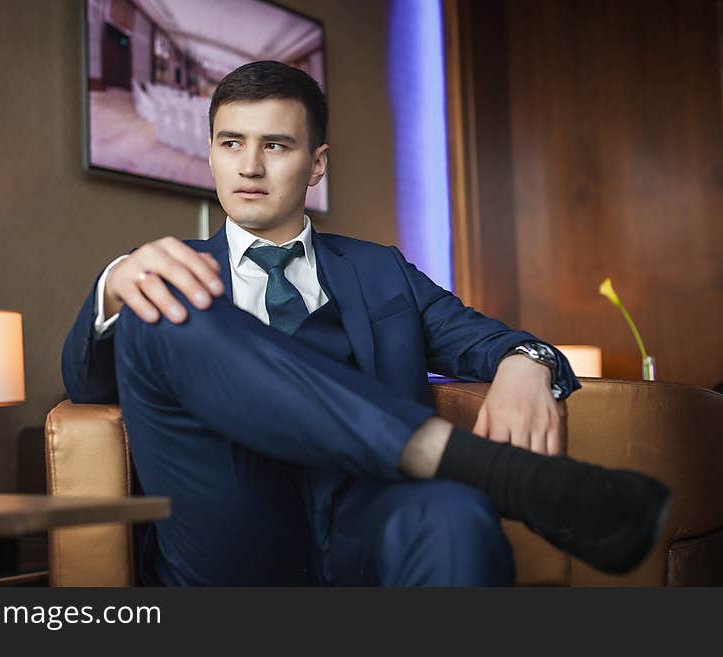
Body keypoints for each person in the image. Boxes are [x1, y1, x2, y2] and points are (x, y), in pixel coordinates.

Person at [62, 60, 670, 586]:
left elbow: (490, 338)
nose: (249, 166)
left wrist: (525, 363)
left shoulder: (382, 273)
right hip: (228, 530)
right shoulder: (167, 269)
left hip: (370, 515)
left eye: (275, 145)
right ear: (213, 154)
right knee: (157, 303)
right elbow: (85, 384)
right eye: (230, 143)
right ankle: (491, 471)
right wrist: (115, 283)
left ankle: (469, 477)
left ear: (316, 164)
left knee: (457, 516)